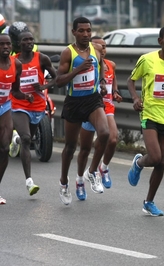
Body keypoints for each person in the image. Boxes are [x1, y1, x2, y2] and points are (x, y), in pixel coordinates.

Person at [127, 26, 164, 216]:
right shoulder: (147, 59)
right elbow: (131, 81)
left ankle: (149, 202)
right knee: (155, 156)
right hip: (149, 114)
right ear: (160, 41)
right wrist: (135, 98)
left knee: (161, 163)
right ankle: (139, 163)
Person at [55, 17, 109, 205]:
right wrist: (77, 70)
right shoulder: (67, 53)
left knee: (105, 133)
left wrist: (102, 82)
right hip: (74, 102)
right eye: (82, 31)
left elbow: (101, 65)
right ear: (74, 32)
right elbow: (59, 81)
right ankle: (63, 182)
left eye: (88, 30)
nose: (86, 34)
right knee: (70, 147)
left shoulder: (96, 49)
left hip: (92, 99)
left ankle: (92, 172)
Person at [8, 30, 57, 196]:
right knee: (27, 139)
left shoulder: (42, 58)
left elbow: (57, 78)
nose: (29, 42)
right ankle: (29, 181)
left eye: (31, 39)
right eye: (25, 40)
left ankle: (15, 140)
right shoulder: (13, 62)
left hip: (37, 106)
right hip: (18, 104)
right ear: (19, 44)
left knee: (30, 139)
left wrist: (44, 87)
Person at [76, 36, 122, 200]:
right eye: (99, 46)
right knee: (85, 149)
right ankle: (80, 180)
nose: (102, 49)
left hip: (107, 107)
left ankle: (99, 169)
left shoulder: (111, 65)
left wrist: (115, 91)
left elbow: (113, 79)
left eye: (104, 46)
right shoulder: (87, 65)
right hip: (90, 108)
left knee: (112, 138)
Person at [0, 33, 34, 204]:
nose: (6, 47)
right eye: (2, 44)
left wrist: (25, 96)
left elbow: (14, 90)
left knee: (4, 149)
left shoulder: (16, 64)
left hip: (5, 107)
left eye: (8, 44)